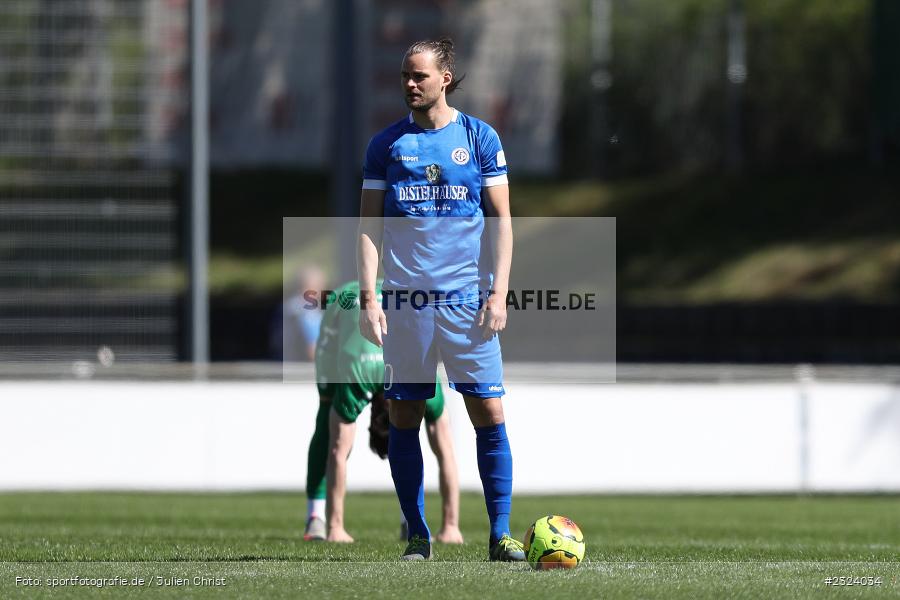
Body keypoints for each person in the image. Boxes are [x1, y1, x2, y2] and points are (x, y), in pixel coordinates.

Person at [357, 38, 522, 561]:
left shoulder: (479, 138)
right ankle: (419, 536)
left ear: (445, 78)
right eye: (405, 75)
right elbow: (367, 226)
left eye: (419, 76)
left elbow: (502, 221)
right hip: (406, 305)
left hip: (467, 305)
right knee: (404, 418)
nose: (410, 83)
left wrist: (498, 292)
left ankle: (499, 535)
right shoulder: (385, 145)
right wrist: (369, 297)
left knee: (489, 414)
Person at [303, 280, 464, 545]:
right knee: (327, 417)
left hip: (381, 327)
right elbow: (445, 450)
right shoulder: (363, 377)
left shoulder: (417, 378)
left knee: (334, 435)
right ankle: (318, 517)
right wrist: (451, 527)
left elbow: (339, 452)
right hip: (339, 323)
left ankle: (402, 520)